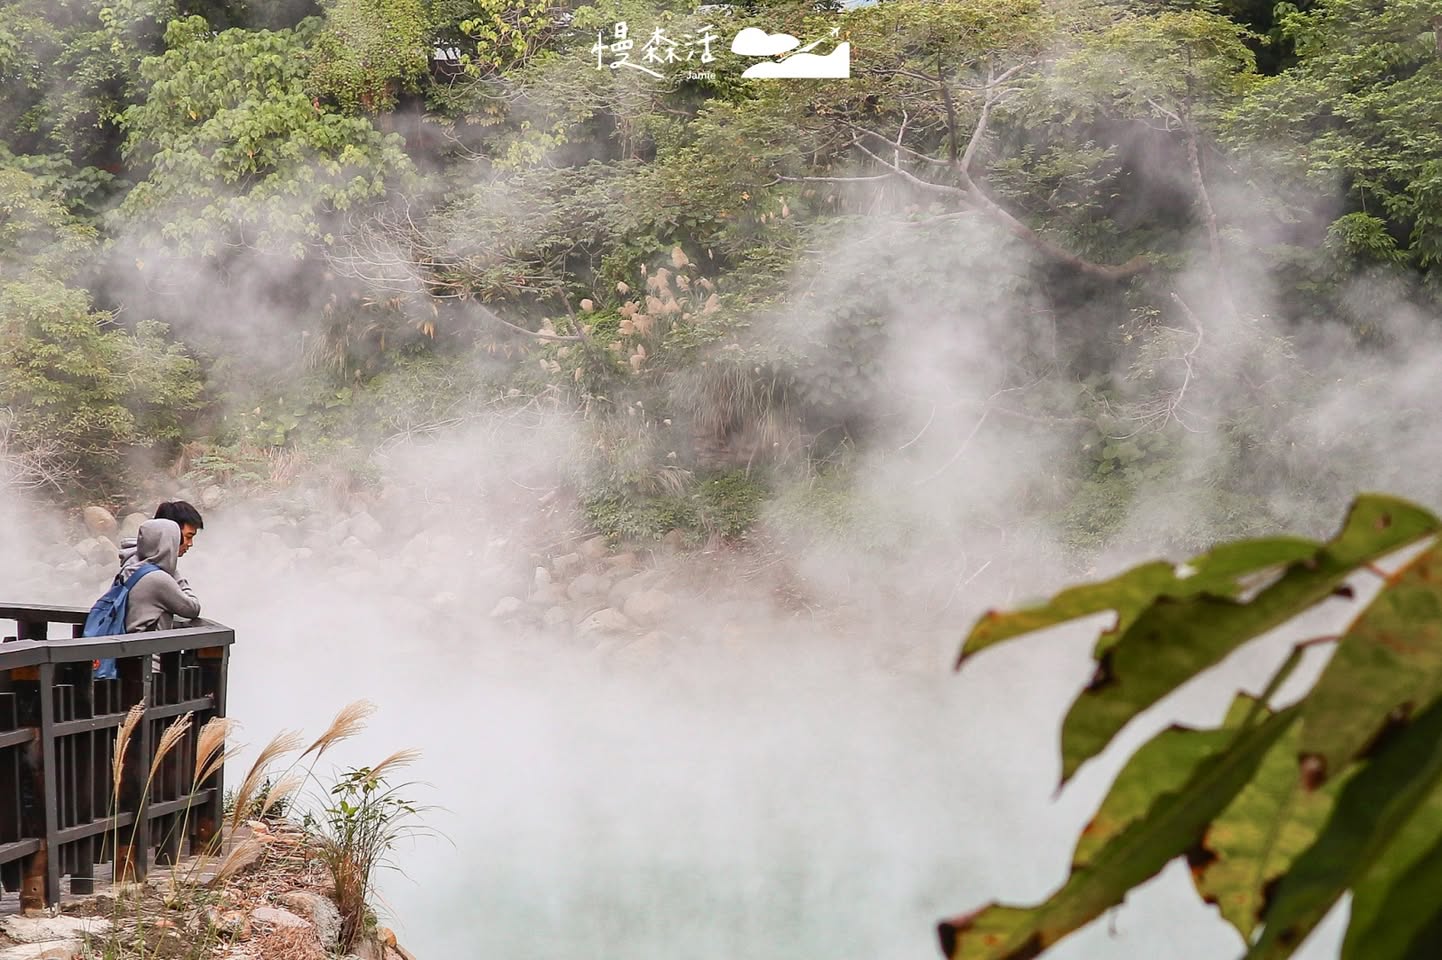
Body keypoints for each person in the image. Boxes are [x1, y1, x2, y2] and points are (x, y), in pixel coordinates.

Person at [120, 519, 201, 632]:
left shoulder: (130, 568)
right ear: (168, 543)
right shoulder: (157, 579)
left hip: (126, 644)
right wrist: (172, 570)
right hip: (147, 647)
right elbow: (193, 608)